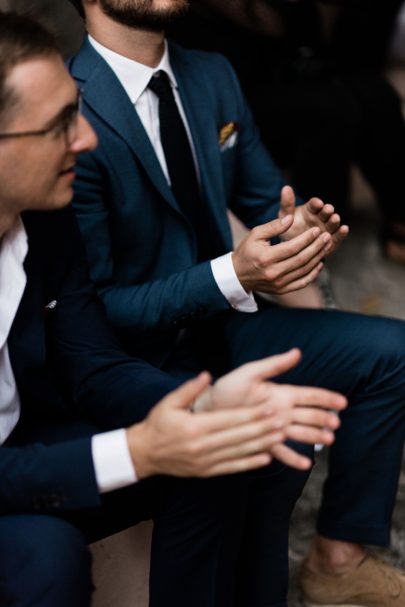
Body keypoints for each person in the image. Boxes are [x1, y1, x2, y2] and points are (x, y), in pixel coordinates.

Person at [0, 11, 351, 607]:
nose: (85, 139)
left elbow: (90, 359)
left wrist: (202, 404)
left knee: (224, 449)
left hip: (33, 429)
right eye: (61, 124)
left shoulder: (48, 221)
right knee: (47, 555)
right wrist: (138, 450)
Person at [67, 1, 405, 605]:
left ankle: (337, 562)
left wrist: (298, 231)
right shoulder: (68, 109)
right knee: (247, 479)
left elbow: (262, 197)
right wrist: (233, 272)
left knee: (391, 352)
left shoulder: (211, 73)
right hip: (137, 360)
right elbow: (93, 311)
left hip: (226, 327)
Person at [170, 0, 405, 264]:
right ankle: (315, 236)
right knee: (328, 110)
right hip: (238, 93)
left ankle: (398, 220)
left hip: (297, 71)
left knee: (376, 94)